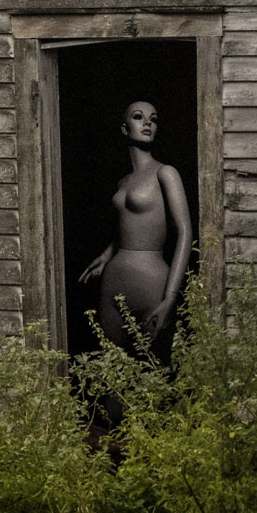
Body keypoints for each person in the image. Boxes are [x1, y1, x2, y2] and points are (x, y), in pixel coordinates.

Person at [78, 99, 192, 347]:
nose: (148, 122)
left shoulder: (166, 173)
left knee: (156, 371)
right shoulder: (124, 181)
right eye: (139, 117)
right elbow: (128, 224)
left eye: (153, 118)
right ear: (124, 128)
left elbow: (184, 232)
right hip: (113, 282)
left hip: (152, 282)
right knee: (109, 366)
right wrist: (107, 254)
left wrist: (171, 296)